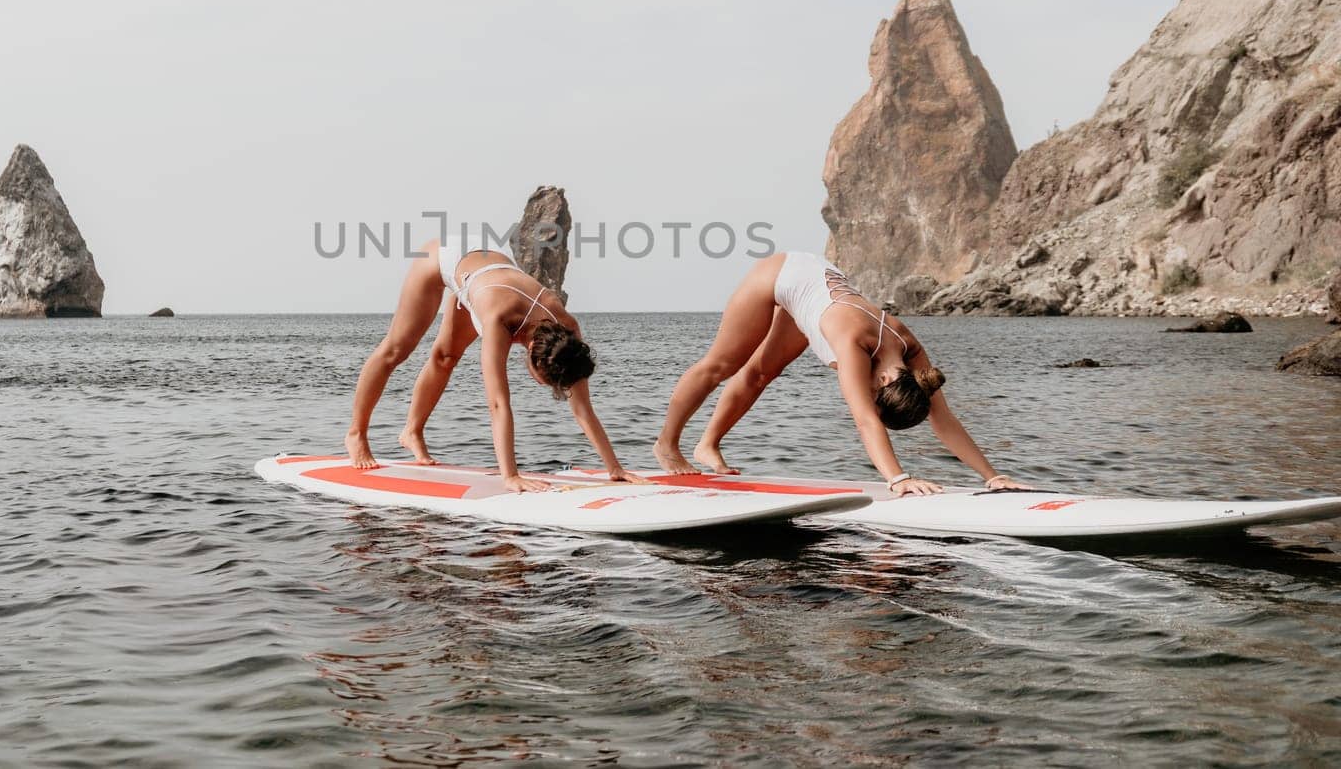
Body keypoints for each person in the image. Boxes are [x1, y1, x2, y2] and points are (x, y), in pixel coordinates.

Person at [655, 251, 1028, 497]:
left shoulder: (909, 350)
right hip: (780, 275)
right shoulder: (854, 344)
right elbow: (866, 421)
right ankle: (667, 446)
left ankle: (707, 445)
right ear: (882, 382)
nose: (865, 394)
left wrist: (992, 476)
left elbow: (943, 417)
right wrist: (898, 479)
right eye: (873, 395)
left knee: (760, 375)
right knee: (723, 365)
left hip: (816, 286)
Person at [345, 240, 648, 493]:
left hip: (487, 267)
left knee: (447, 357)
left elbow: (583, 407)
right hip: (445, 257)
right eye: (544, 381)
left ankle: (411, 431)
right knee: (396, 349)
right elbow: (498, 404)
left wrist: (615, 468)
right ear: (532, 354)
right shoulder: (498, 320)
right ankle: (356, 434)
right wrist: (511, 476)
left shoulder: (568, 329)